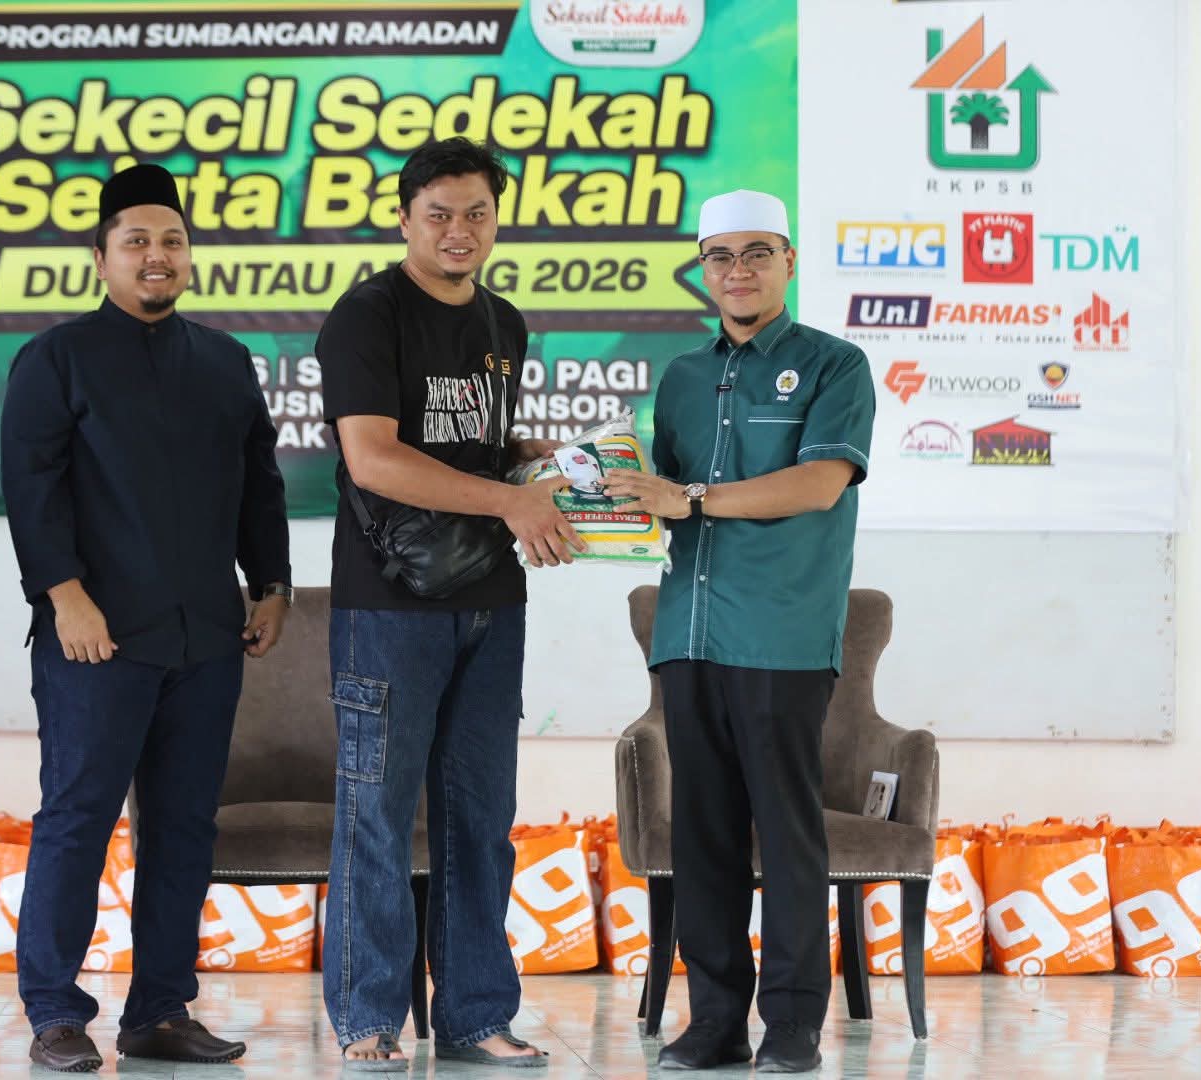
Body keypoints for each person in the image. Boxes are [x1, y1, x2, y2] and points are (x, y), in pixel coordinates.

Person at [1, 164, 292, 1074]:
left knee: (184, 827)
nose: (156, 255)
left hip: (207, 636)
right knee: (78, 819)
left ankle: (160, 1011)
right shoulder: (55, 358)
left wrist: (272, 583)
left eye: (171, 240)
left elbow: (259, 482)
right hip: (96, 636)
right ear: (101, 257)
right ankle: (55, 1012)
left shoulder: (225, 361)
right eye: (136, 241)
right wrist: (64, 595)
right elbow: (31, 487)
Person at [316, 137, 582, 1070]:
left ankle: (475, 1016)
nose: (459, 231)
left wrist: (532, 462)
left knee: (481, 820)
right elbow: (373, 459)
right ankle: (367, 1018)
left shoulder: (504, 321)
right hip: (388, 604)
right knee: (377, 815)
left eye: (476, 213)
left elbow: (474, 444)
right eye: (439, 215)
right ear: (405, 220)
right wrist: (510, 499)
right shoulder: (367, 315)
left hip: (492, 597)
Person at [602, 189, 874, 1074]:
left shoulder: (835, 365)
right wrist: (583, 489)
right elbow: (662, 505)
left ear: (789, 261)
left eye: (758, 252)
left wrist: (686, 497)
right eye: (720, 256)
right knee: (704, 835)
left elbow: (819, 484)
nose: (738, 270)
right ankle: (715, 1020)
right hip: (687, 631)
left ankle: (790, 1024)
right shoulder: (682, 377)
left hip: (781, 633)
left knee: (787, 833)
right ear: (702, 271)